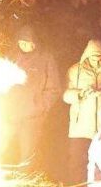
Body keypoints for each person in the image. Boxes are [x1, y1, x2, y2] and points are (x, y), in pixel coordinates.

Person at [63, 39, 101, 186]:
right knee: (77, 162)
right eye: (93, 57)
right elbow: (65, 95)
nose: (96, 60)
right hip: (81, 127)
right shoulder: (74, 71)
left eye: (99, 57)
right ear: (87, 56)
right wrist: (81, 94)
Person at [4, 25, 60, 166]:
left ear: (34, 42)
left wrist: (40, 106)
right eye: (20, 41)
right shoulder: (12, 57)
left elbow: (53, 89)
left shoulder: (45, 58)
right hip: (9, 114)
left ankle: (25, 184)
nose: (22, 44)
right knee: (0, 149)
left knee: (26, 156)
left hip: (32, 117)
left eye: (26, 41)